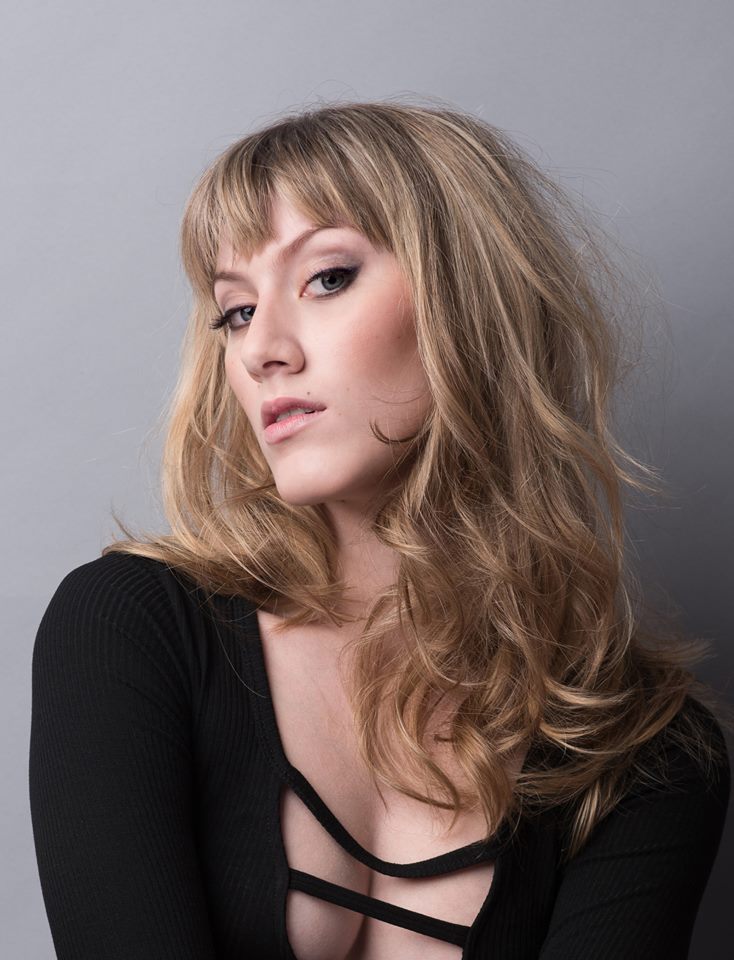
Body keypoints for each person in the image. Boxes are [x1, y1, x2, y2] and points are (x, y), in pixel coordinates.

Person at [29, 99, 730, 960]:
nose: (262, 349)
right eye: (236, 310)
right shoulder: (131, 629)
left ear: (467, 299)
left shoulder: (643, 747)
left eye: (326, 278)